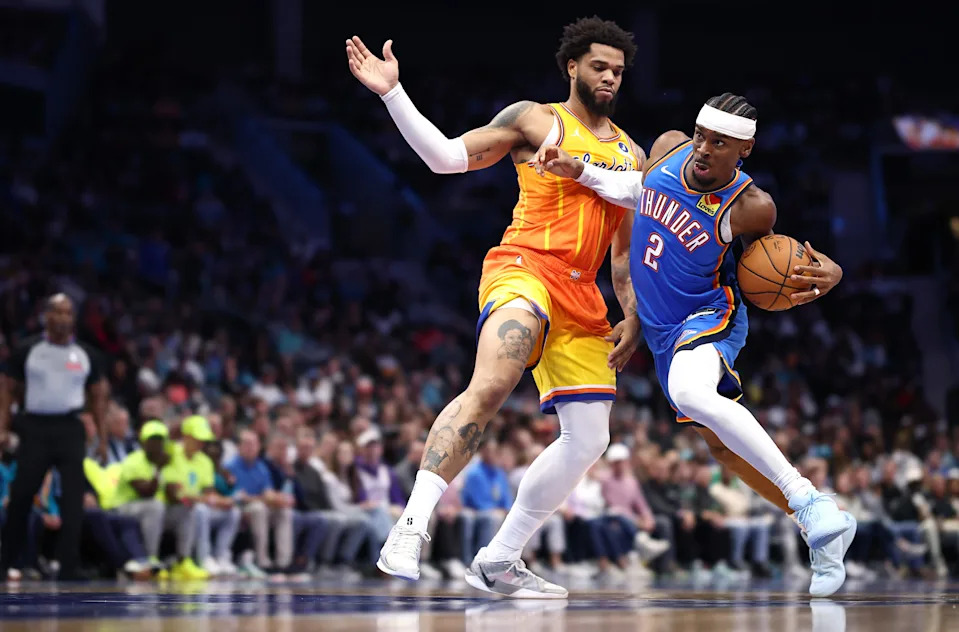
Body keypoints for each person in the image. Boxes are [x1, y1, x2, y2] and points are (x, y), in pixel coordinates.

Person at [347, 16, 645, 598]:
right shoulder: (535, 118)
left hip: (583, 295)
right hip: (524, 268)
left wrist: (631, 311)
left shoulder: (632, 153)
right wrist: (394, 94)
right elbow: (445, 158)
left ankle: (500, 560)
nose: (609, 77)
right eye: (599, 66)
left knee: (589, 440)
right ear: (573, 67)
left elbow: (623, 257)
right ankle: (410, 525)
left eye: (618, 70)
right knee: (493, 382)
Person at [535, 92, 854, 596]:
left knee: (691, 393)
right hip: (661, 329)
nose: (704, 149)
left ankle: (808, 499)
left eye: (719, 143)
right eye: (701, 137)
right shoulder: (668, 147)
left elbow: (773, 266)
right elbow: (635, 191)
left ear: (744, 149)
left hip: (709, 316)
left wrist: (830, 273)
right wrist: (579, 170)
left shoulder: (752, 207)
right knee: (722, 449)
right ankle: (822, 529)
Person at [0, 293, 109, 581]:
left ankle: (68, 566)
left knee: (73, 499)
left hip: (70, 427)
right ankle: (6, 560)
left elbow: (98, 397)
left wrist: (104, 438)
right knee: (22, 494)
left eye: (68, 313)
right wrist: (2, 427)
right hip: (34, 427)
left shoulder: (86, 354)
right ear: (45, 316)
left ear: (73, 319)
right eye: (57, 312)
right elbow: (7, 389)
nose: (62, 318)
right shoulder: (28, 349)